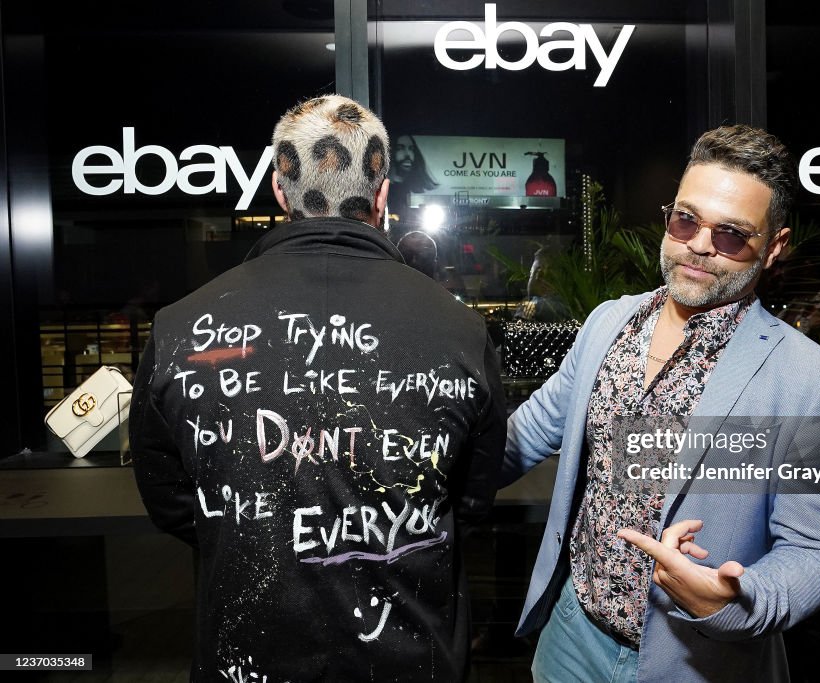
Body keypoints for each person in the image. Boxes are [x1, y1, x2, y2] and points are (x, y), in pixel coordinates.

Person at [129, 95, 506, 682]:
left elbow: (172, 501)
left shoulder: (182, 327)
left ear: (279, 190)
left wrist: (252, 527)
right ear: (382, 196)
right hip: (409, 655)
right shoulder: (460, 329)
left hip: (248, 655)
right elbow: (472, 500)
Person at [501, 124, 820, 682]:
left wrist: (733, 601)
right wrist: (417, 458)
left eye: (732, 235)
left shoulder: (816, 382)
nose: (698, 244)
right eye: (685, 220)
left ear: (775, 248)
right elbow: (526, 434)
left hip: (698, 657)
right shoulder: (606, 325)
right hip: (573, 635)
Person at [388, 134, 439, 240]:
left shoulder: (419, 190)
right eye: (400, 148)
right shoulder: (383, 189)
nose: (408, 155)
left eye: (411, 149)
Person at [513, 246, 572, 323]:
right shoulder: (567, 305)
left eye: (531, 274)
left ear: (539, 274)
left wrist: (534, 305)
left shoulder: (539, 308)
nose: (529, 279)